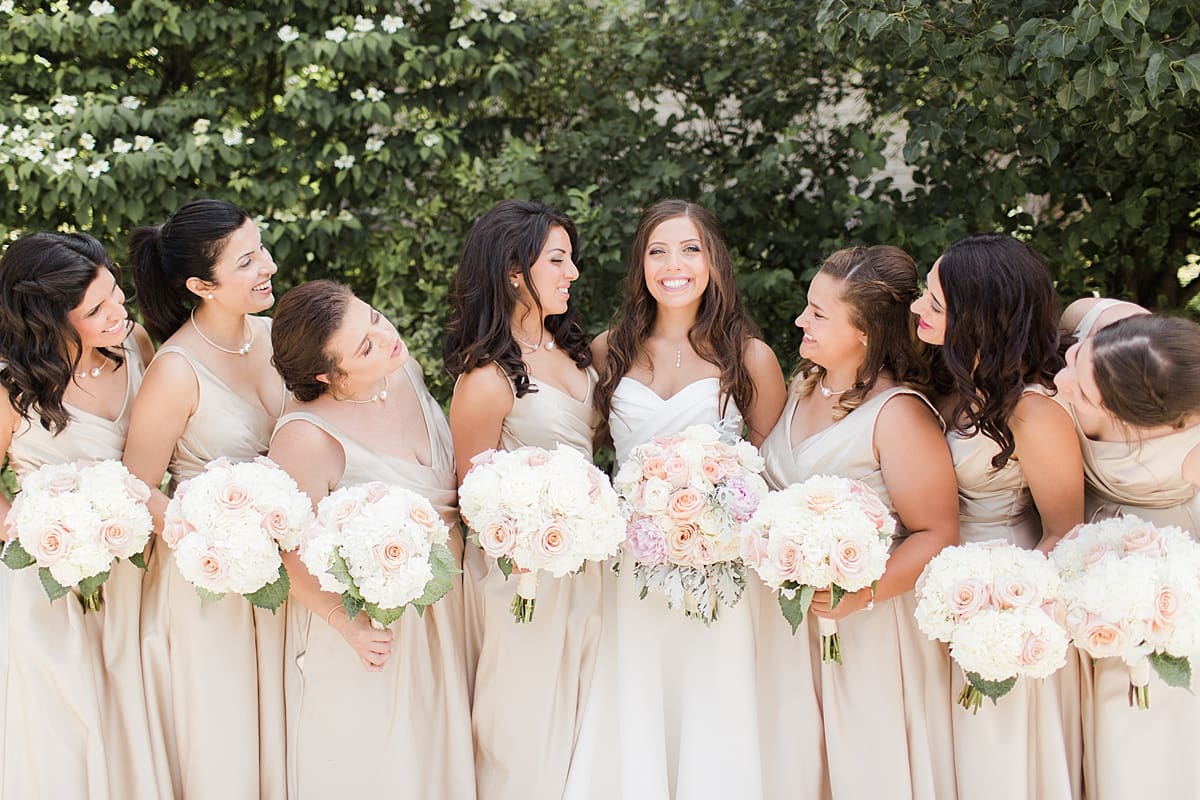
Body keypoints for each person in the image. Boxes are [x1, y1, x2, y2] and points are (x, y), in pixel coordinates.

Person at [590, 199, 786, 799]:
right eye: (657, 251)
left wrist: (717, 512)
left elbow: (770, 475)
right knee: (636, 703)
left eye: (690, 249)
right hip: (629, 567)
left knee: (713, 703)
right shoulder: (606, 351)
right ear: (640, 265)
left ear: (714, 261)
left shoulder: (750, 357)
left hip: (720, 573)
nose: (673, 264)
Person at [755, 245, 958, 800]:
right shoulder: (804, 386)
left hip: (868, 627)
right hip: (792, 626)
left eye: (818, 314)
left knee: (866, 767)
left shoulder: (899, 414)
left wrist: (861, 594)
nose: (801, 320)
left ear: (865, 331)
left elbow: (938, 533)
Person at [266, 280, 475, 798]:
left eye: (375, 318)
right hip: (372, 629)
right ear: (327, 375)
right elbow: (287, 551)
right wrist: (351, 626)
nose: (386, 337)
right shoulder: (306, 438)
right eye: (364, 346)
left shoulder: (404, 370)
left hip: (452, 610)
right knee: (382, 771)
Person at [122, 199, 288, 799]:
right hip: (208, 582)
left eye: (261, 247)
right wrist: (210, 542)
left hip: (283, 572)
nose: (266, 264)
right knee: (226, 740)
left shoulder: (277, 337)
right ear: (201, 285)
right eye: (247, 261)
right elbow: (136, 484)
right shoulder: (176, 369)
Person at [911, 233, 1084, 799]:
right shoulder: (950, 381)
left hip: (1005, 597)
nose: (917, 308)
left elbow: (1065, 531)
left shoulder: (1033, 411)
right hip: (942, 590)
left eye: (935, 303)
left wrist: (1007, 618)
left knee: (996, 756)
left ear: (980, 318)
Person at [445, 199, 603, 800]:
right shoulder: (488, 378)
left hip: (586, 564)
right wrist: (535, 533)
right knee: (523, 725)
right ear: (515, 272)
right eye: (557, 260)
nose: (573, 273)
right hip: (522, 578)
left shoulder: (576, 353)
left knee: (583, 724)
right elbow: (474, 498)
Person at [0, 232, 165, 798]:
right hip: (49, 581)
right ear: (48, 321)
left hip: (140, 567)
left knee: (136, 708)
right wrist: (28, 528)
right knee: (67, 722)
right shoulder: (10, 385)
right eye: (95, 309)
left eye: (116, 294)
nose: (118, 312)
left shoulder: (136, 343)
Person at [1055, 310, 1200, 800]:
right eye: (1077, 357)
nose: (1061, 379)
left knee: (1138, 725)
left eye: (1084, 393)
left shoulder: (1191, 445)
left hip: (1154, 583)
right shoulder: (1111, 326)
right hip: (1074, 565)